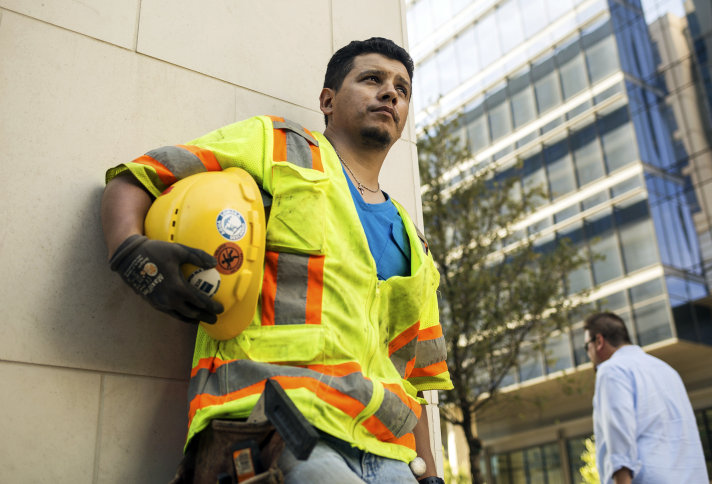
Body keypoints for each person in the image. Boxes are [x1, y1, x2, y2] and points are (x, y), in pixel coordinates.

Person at [101, 37, 452, 484]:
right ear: (327, 100)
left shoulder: (415, 242)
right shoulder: (280, 146)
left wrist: (431, 475)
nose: (390, 93)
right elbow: (140, 177)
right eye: (372, 79)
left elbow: (414, 376)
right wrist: (129, 250)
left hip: (389, 456)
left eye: (401, 89)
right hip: (275, 426)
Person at [584, 312, 708, 484]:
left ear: (599, 341)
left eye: (586, 347)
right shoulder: (668, 371)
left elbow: (620, 443)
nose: (588, 355)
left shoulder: (611, 370)